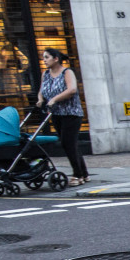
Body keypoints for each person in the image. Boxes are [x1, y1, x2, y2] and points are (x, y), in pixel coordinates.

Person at [36, 48, 88, 185]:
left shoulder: (67, 72)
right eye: (43, 58)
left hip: (71, 113)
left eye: (47, 57)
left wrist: (54, 99)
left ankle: (77, 176)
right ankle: (84, 174)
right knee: (71, 144)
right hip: (56, 114)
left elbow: (72, 90)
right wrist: (40, 99)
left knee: (68, 144)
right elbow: (42, 90)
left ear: (56, 59)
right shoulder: (45, 74)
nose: (44, 60)